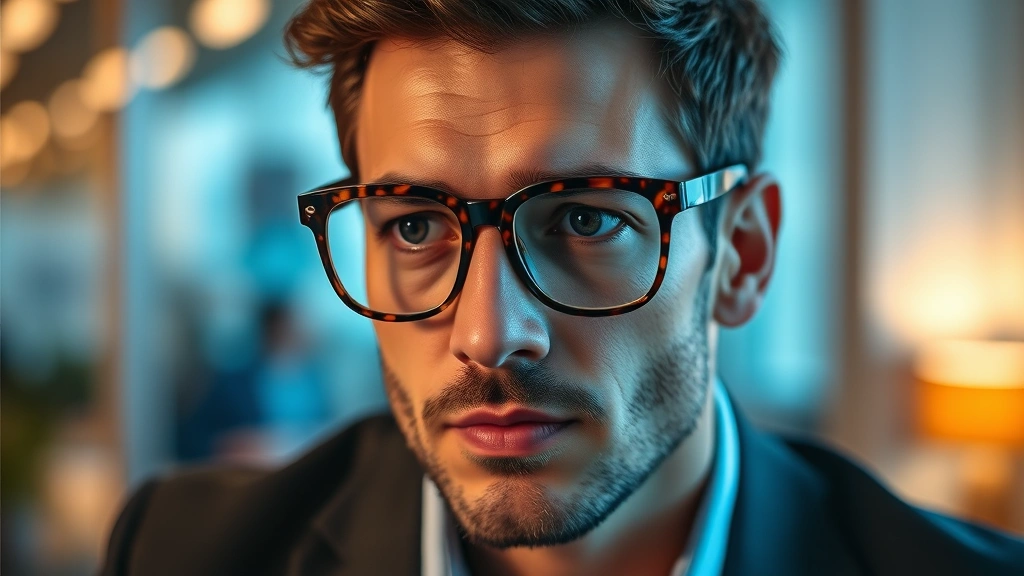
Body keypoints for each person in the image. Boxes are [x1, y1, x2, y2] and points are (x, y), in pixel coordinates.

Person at [100, 1, 1024, 575]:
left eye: (587, 220)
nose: (487, 334)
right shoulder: (183, 555)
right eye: (416, 226)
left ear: (741, 254)